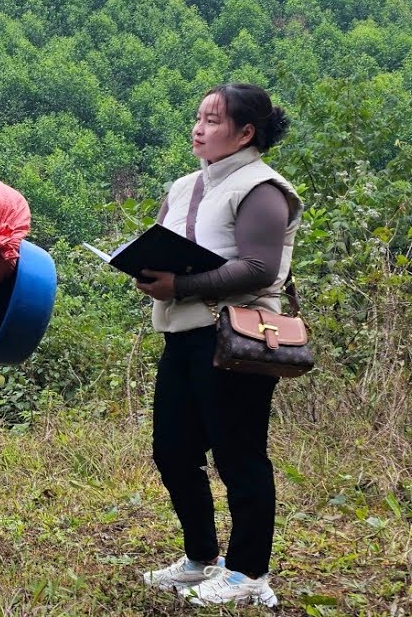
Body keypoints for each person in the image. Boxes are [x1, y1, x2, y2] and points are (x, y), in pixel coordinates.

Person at [136, 84, 302, 606]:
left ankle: (249, 573)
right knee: (172, 451)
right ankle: (201, 558)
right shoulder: (186, 185)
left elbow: (259, 267)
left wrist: (179, 285)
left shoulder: (263, 188)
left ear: (246, 132)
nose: (198, 127)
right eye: (198, 117)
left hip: (234, 338)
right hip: (182, 334)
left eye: (212, 120)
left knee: (239, 456)